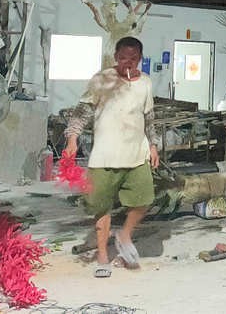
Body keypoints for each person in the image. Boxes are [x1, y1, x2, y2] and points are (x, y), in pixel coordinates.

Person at [63, 36, 159, 278]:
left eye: (134, 58)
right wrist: (72, 138)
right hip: (105, 154)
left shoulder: (145, 82)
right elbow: (82, 112)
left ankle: (124, 234)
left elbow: (149, 118)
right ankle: (103, 254)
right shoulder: (101, 80)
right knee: (100, 205)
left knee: (143, 199)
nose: (128, 62)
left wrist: (154, 146)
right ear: (116, 56)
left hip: (137, 152)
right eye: (124, 57)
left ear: (140, 59)